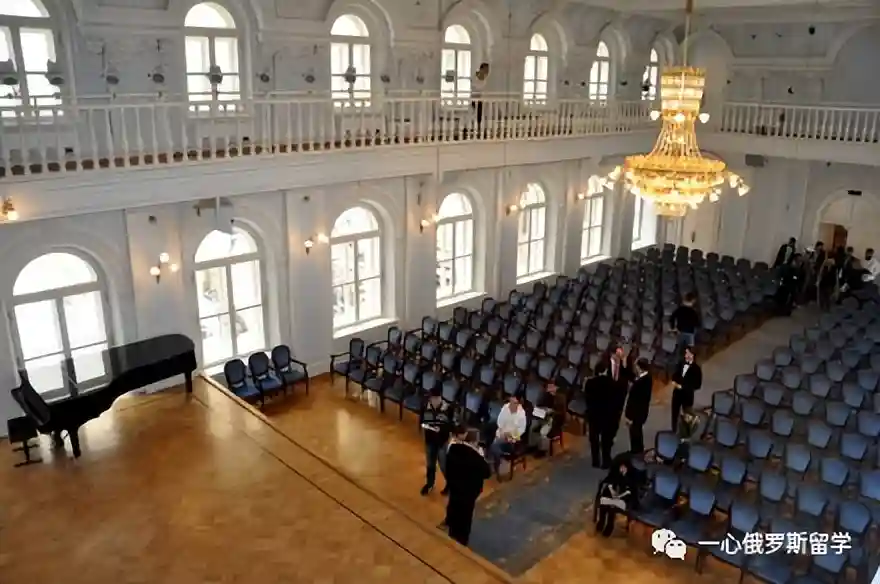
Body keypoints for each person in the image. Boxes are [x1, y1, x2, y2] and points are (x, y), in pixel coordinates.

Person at [444, 426, 491, 546]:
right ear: (475, 441)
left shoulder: (453, 448)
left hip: (454, 488)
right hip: (469, 493)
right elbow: (487, 473)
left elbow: (447, 466)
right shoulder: (476, 457)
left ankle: (451, 531)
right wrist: (481, 456)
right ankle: (462, 539)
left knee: (454, 508)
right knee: (465, 516)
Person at [593, 454, 639, 537]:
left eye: (624, 467)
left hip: (624, 499)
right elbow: (609, 482)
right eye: (621, 467)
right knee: (604, 504)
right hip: (614, 496)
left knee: (612, 508)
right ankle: (600, 525)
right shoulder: (615, 473)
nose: (622, 469)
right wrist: (612, 492)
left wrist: (619, 496)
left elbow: (630, 492)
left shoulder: (631, 477)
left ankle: (608, 529)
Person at [420, 388, 452, 496]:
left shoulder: (448, 408)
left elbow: (452, 426)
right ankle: (430, 484)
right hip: (429, 441)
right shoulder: (425, 406)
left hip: (442, 442)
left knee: (444, 465)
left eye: (435, 398)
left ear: (440, 398)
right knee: (430, 464)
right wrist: (425, 425)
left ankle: (450, 484)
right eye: (431, 399)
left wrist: (442, 429)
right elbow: (421, 420)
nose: (433, 401)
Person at [487, 393, 527, 475]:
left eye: (514, 403)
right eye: (511, 402)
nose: (511, 405)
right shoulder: (505, 408)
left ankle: (499, 461)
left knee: (494, 445)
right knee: (495, 442)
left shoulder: (521, 413)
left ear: (518, 403)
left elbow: (522, 429)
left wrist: (511, 434)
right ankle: (500, 460)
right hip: (502, 433)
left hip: (513, 438)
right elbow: (499, 422)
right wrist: (503, 432)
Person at [584, 365, 614, 468]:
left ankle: (595, 461)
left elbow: (587, 399)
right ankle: (606, 460)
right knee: (606, 439)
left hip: (593, 414)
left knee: (594, 439)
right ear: (605, 370)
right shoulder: (611, 382)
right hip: (606, 414)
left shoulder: (589, 382)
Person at [528, 382, 567, 458]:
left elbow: (561, 413)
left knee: (543, 431)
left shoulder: (560, 398)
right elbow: (540, 405)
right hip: (543, 417)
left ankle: (542, 450)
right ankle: (532, 445)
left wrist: (552, 412)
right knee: (532, 427)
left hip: (554, 420)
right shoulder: (545, 395)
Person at [670, 346, 702, 434]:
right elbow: (675, 374)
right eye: (685, 354)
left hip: (687, 396)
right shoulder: (681, 363)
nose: (686, 356)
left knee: (687, 416)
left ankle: (686, 433)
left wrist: (683, 387)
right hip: (677, 394)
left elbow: (697, 385)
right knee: (674, 414)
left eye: (688, 354)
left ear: (693, 355)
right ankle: (673, 431)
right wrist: (674, 381)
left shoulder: (697, 369)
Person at [624, 358, 653, 454]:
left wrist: (629, 416)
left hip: (636, 414)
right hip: (640, 413)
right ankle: (638, 450)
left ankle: (636, 452)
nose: (635, 368)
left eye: (636, 366)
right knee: (637, 433)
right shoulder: (646, 378)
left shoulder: (642, 382)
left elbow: (635, 401)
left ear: (640, 367)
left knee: (635, 434)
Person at [471, 62, 490, 135]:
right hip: (474, 98)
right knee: (477, 114)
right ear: (482, 69)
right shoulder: (475, 76)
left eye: (488, 69)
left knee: (481, 115)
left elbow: (482, 88)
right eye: (486, 69)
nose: (487, 71)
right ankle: (477, 129)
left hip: (481, 99)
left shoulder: (485, 78)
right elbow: (476, 87)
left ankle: (480, 129)